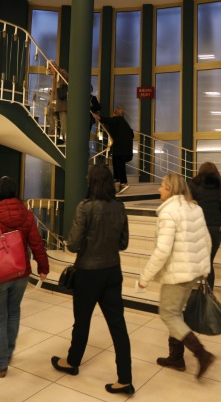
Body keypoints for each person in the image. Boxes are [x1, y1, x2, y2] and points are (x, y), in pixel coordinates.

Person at [50, 164, 133, 395]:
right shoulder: (119, 206)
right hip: (113, 271)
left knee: (82, 321)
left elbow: (73, 244)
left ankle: (72, 361)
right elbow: (124, 243)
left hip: (88, 272)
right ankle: (125, 378)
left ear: (91, 182)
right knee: (118, 326)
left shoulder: (85, 207)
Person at [0, 176, 49, 377]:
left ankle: (1, 362)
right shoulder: (27, 214)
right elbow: (37, 243)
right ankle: (8, 352)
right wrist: (43, 266)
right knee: (13, 312)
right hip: (20, 271)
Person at [137, 173, 214, 379]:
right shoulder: (195, 208)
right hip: (191, 273)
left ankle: (201, 353)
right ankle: (176, 358)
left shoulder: (169, 212)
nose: (159, 189)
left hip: (177, 274)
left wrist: (144, 278)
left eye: (162, 186)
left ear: (170, 189)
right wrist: (202, 269)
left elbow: (162, 251)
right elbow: (207, 241)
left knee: (168, 314)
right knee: (176, 313)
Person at [188, 162, 221, 289]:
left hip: (200, 226)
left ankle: (199, 294)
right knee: (208, 262)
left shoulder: (193, 184)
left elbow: (190, 206)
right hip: (217, 228)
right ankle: (207, 295)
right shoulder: (219, 186)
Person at [93, 106, 133, 195]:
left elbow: (108, 120)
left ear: (115, 113)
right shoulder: (125, 123)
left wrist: (97, 116)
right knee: (116, 161)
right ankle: (117, 179)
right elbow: (132, 134)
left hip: (120, 149)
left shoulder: (116, 120)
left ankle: (123, 183)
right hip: (126, 149)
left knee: (119, 164)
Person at [48, 64, 68, 142]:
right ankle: (53, 129)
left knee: (63, 122)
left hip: (62, 102)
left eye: (50, 68)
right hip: (57, 102)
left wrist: (57, 70)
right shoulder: (54, 77)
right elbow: (56, 90)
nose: (50, 70)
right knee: (49, 110)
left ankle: (66, 140)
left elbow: (64, 76)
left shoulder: (61, 73)